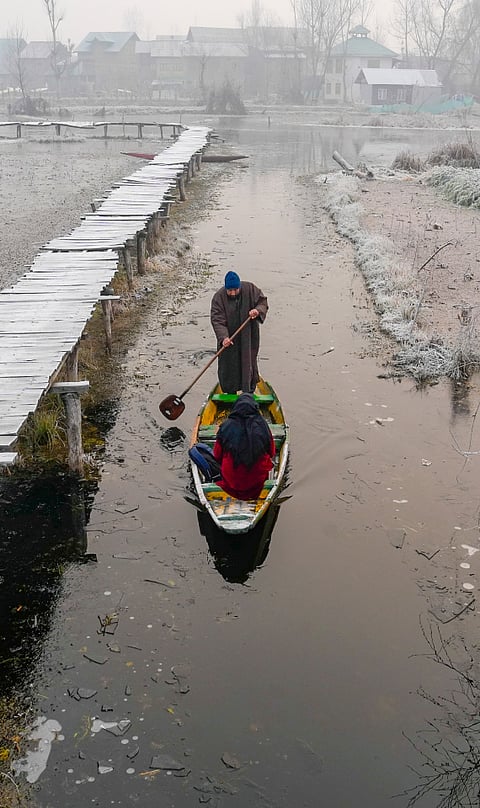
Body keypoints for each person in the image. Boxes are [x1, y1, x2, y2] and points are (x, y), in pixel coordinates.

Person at [210, 272, 268, 394]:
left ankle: (248, 393)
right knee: (229, 366)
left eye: (235, 290)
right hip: (229, 340)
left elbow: (262, 303)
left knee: (248, 363)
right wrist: (224, 337)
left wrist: (257, 310)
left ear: (239, 286)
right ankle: (230, 393)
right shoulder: (218, 298)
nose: (232, 293)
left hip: (248, 337)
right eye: (229, 290)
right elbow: (217, 320)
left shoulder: (250, 290)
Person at [212, 393, 275, 501]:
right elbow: (272, 452)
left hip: (231, 482)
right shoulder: (262, 425)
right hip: (257, 482)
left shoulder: (226, 426)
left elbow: (217, 455)